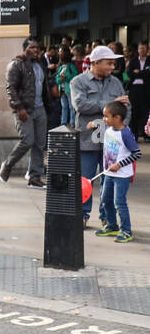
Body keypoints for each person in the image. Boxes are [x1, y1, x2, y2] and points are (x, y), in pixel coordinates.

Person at [71, 45, 131, 226]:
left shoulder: (116, 83)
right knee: (86, 180)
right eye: (109, 63)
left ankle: (107, 217)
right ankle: (83, 215)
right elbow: (80, 105)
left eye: (113, 64)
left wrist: (123, 127)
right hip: (88, 140)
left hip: (112, 143)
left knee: (109, 181)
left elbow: (127, 107)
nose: (112, 67)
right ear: (95, 63)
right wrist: (111, 104)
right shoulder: (78, 82)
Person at [0, 38, 56, 187]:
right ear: (25, 49)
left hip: (40, 109)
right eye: (32, 47)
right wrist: (19, 108)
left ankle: (34, 177)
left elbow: (44, 86)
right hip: (24, 109)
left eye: (38, 48)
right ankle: (7, 164)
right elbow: (10, 88)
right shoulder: (17, 64)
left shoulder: (41, 65)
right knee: (27, 141)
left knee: (39, 144)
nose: (36, 50)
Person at [93, 100, 140, 243]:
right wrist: (92, 128)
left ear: (117, 118)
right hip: (108, 174)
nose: (104, 119)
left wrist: (120, 164)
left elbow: (137, 153)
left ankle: (126, 230)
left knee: (119, 202)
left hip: (121, 176)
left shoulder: (125, 133)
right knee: (105, 200)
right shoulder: (108, 130)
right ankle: (112, 225)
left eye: (106, 116)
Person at [125, 42, 149, 140]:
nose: (142, 50)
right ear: (138, 50)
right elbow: (130, 73)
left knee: (145, 111)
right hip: (134, 88)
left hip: (146, 88)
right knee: (134, 111)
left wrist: (139, 73)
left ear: (147, 50)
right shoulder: (133, 60)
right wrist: (143, 73)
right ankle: (134, 133)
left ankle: (146, 133)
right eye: (140, 48)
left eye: (144, 48)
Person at [56, 46, 79, 127]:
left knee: (71, 107)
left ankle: (72, 122)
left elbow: (75, 75)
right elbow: (57, 78)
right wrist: (60, 79)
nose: (59, 53)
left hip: (69, 90)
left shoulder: (71, 65)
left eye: (60, 51)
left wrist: (66, 77)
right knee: (64, 107)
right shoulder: (61, 66)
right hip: (62, 90)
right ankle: (64, 122)